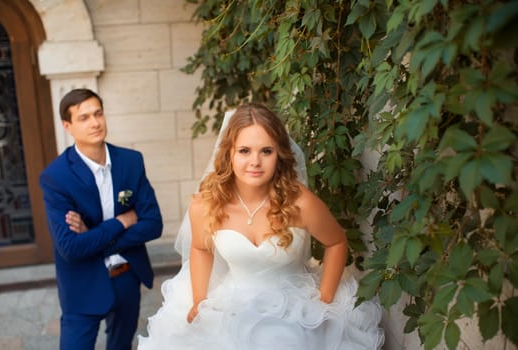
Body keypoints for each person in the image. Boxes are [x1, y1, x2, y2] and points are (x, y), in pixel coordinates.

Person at [138, 103, 384, 349]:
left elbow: (337, 241)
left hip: (294, 310)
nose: (255, 161)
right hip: (231, 309)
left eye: (266, 151)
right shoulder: (206, 205)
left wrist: (324, 300)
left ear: (280, 154)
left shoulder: (300, 202)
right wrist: (199, 298)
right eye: (244, 150)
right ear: (229, 154)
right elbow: (201, 249)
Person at [39, 88, 163, 350]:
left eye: (98, 113)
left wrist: (92, 236)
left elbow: (153, 224)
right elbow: (71, 248)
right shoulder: (56, 177)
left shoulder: (131, 161)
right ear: (67, 125)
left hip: (126, 276)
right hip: (81, 284)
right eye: (83, 118)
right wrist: (121, 222)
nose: (95, 122)